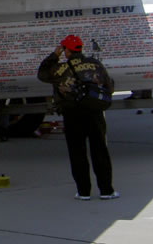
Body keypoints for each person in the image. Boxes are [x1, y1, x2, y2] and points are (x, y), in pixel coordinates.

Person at [37, 34, 118, 201]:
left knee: (77, 152)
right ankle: (106, 190)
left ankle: (83, 192)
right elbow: (109, 85)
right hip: (94, 113)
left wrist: (54, 55)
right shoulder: (94, 64)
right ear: (80, 48)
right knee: (100, 151)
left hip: (72, 114)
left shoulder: (60, 69)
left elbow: (42, 74)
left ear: (66, 50)